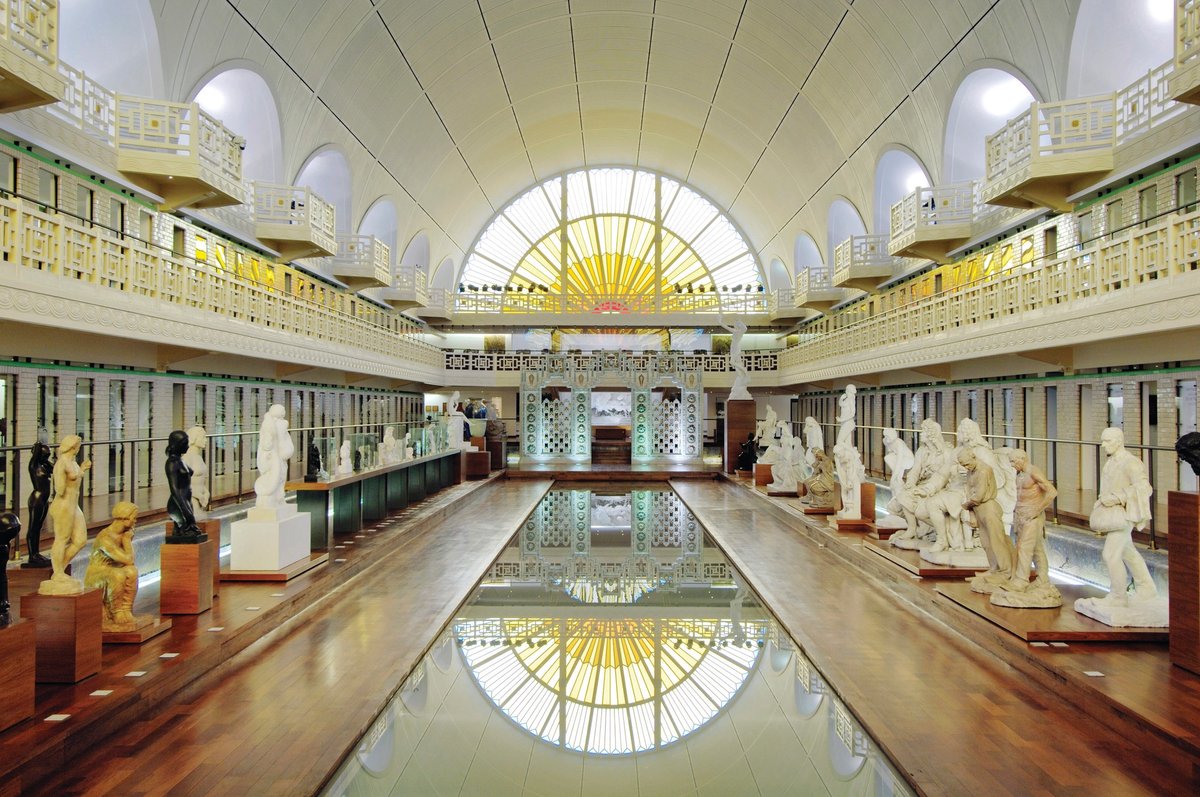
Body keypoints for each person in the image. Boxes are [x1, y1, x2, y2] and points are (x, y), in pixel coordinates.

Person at [1089, 427, 1157, 604]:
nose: (1103, 445)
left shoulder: (1131, 462)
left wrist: (1118, 497)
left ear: (1118, 441)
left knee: (1110, 555)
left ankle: (1118, 596)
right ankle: (1147, 588)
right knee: (1129, 553)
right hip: (1113, 513)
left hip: (1124, 514)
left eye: (1107, 441)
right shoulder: (1110, 463)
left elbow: (1144, 487)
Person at [1001, 449, 1057, 591]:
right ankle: (1043, 579)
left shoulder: (1033, 471)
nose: (1012, 465)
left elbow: (1052, 492)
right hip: (1021, 515)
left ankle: (1021, 580)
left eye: (1013, 461)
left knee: (1024, 548)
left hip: (1032, 516)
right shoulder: (1019, 474)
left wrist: (1036, 510)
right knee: (1036, 548)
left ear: (1022, 459)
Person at [42, 435, 92, 594]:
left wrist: (82, 469)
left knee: (80, 540)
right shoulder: (62, 463)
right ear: (73, 446)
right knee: (62, 539)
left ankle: (60, 570)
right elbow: (60, 488)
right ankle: (57, 573)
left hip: (73, 505)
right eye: (78, 445)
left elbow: (74, 479)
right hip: (63, 505)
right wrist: (72, 476)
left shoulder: (72, 462)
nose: (79, 448)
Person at [83, 502, 141, 632]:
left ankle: (126, 609)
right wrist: (127, 541)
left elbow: (130, 564)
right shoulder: (105, 538)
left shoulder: (124, 533)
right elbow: (128, 559)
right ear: (124, 518)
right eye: (134, 517)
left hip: (113, 570)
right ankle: (116, 612)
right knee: (118, 574)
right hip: (97, 574)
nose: (135, 521)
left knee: (132, 572)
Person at [164, 430, 202, 540]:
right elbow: (174, 489)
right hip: (178, 502)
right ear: (178, 445)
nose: (188, 445)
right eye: (185, 443)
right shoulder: (172, 463)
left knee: (191, 530)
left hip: (186, 499)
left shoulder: (180, 460)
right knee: (186, 530)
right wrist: (185, 510)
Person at [22, 440, 52, 568]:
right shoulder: (34, 465)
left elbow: (56, 469)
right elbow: (36, 455)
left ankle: (37, 553)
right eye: (45, 455)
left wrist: (47, 461)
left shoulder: (45, 465)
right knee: (33, 527)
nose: (47, 457)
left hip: (44, 500)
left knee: (38, 527)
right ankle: (32, 555)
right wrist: (38, 446)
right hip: (37, 499)